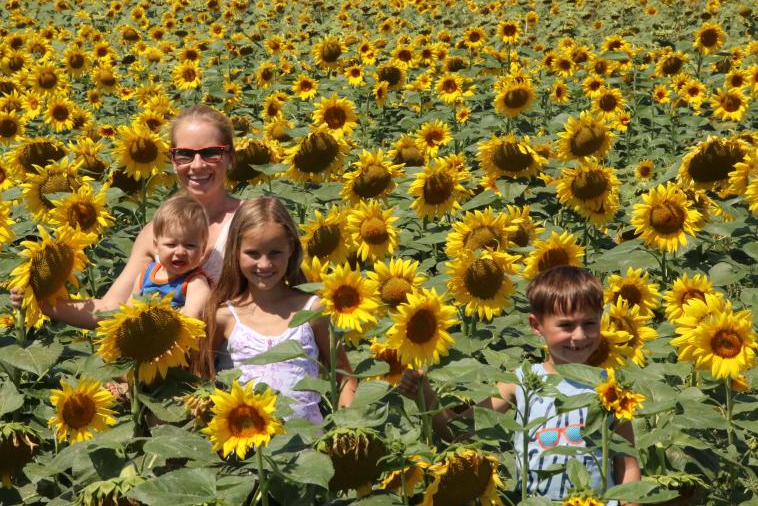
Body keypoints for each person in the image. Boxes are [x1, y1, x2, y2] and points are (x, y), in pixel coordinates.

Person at [399, 266, 641, 505]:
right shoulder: (520, 381)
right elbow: (460, 432)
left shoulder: (610, 388)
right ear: (537, 326)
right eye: (566, 325)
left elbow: (627, 466)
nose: (579, 336)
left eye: (589, 323)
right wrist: (425, 396)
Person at [11, 103, 242, 326]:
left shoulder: (249, 222)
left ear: (230, 157)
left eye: (211, 153)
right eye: (184, 154)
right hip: (165, 362)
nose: (197, 165)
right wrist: (40, 303)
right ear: (172, 160)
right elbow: (112, 308)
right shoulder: (153, 231)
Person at [198, 196, 357, 424]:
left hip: (307, 449)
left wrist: (345, 428)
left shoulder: (312, 310)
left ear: (290, 248)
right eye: (253, 253)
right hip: (247, 451)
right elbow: (203, 381)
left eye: (275, 253)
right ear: (235, 250)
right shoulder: (223, 316)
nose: (264, 264)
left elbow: (345, 377)